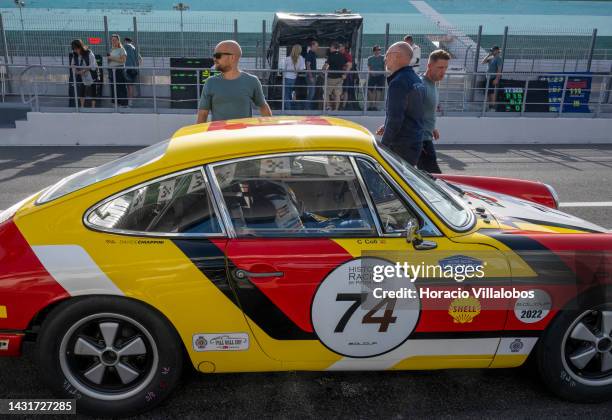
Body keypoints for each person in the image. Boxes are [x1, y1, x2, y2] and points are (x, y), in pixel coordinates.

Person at [196, 40, 272, 123]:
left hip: (242, 135)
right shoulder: (210, 83)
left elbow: (263, 107)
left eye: (218, 55)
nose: (214, 59)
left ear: (232, 57)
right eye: (214, 56)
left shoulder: (252, 81)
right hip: (219, 135)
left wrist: (271, 129)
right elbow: (203, 114)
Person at [376, 41, 425, 166]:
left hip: (400, 146)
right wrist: (387, 125)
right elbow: (411, 112)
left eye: (387, 54)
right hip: (415, 141)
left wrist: (383, 147)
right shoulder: (416, 79)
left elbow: (395, 119)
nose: (385, 59)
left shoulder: (398, 82)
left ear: (397, 56)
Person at [417, 49, 450, 174]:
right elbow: (408, 109)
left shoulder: (433, 84)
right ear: (429, 66)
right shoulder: (421, 85)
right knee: (435, 179)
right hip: (420, 141)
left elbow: (426, 109)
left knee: (427, 178)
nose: (444, 71)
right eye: (440, 67)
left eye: (445, 68)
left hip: (426, 137)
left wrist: (433, 127)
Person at [70, 39, 98, 108]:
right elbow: (72, 65)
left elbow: (93, 65)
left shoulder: (89, 53)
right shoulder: (74, 55)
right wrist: (76, 71)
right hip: (81, 75)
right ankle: (82, 106)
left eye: (76, 49)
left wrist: (84, 71)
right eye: (74, 49)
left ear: (80, 47)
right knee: (81, 90)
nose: (75, 51)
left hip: (91, 74)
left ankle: (93, 107)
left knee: (93, 89)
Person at [322, 41, 347, 111]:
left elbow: (326, 65)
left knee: (326, 92)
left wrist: (322, 70)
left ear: (333, 47)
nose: (330, 48)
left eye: (331, 47)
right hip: (340, 78)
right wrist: (344, 74)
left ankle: (328, 107)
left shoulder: (330, 55)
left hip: (331, 78)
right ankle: (336, 110)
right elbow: (344, 66)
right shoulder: (342, 55)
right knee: (337, 94)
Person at [107, 34, 128, 107]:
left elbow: (123, 60)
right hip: (112, 71)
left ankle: (123, 103)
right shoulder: (111, 49)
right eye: (112, 40)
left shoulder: (121, 49)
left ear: (118, 41)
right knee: (113, 87)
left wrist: (112, 58)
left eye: (115, 40)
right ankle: (115, 103)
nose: (113, 41)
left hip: (119, 70)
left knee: (120, 87)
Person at [283, 44, 305, 111]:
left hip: (287, 78)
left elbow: (284, 69)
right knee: (291, 93)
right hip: (294, 78)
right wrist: (296, 71)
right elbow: (302, 69)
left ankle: (288, 109)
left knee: (286, 94)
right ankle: (291, 107)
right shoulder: (301, 58)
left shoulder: (287, 58)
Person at [482, 46, 503, 110]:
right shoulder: (491, 57)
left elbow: (499, 70)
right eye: (491, 50)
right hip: (487, 77)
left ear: (497, 51)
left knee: (491, 92)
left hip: (493, 78)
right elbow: (482, 62)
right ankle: (489, 106)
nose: (491, 51)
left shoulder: (499, 59)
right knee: (487, 92)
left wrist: (497, 79)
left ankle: (493, 106)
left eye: (492, 50)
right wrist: (488, 55)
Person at [123, 37, 141, 107]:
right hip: (134, 69)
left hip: (127, 69)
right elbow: (140, 59)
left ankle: (129, 102)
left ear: (125, 41)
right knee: (131, 86)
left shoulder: (125, 47)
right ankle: (130, 101)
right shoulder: (134, 48)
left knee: (128, 86)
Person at [367, 45, 385, 111]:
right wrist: (371, 73)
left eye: (379, 50)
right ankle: (372, 104)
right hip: (372, 75)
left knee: (378, 91)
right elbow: (369, 67)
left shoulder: (383, 58)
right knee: (369, 90)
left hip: (380, 76)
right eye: (376, 50)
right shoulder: (370, 58)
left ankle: (375, 106)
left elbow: (385, 67)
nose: (378, 51)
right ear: (373, 51)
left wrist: (384, 72)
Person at [304, 40, 319, 110]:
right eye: (316, 46)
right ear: (312, 46)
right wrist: (311, 76)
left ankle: (308, 107)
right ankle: (307, 108)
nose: (317, 48)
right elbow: (308, 65)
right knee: (311, 92)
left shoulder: (312, 54)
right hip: (311, 76)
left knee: (312, 92)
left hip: (313, 75)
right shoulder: (309, 54)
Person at [338, 42, 353, 110]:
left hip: (346, 76)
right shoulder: (338, 54)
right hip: (338, 75)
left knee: (345, 91)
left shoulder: (347, 55)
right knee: (339, 90)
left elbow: (349, 66)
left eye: (340, 46)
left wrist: (345, 74)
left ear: (343, 48)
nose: (339, 48)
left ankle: (343, 106)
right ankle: (338, 105)